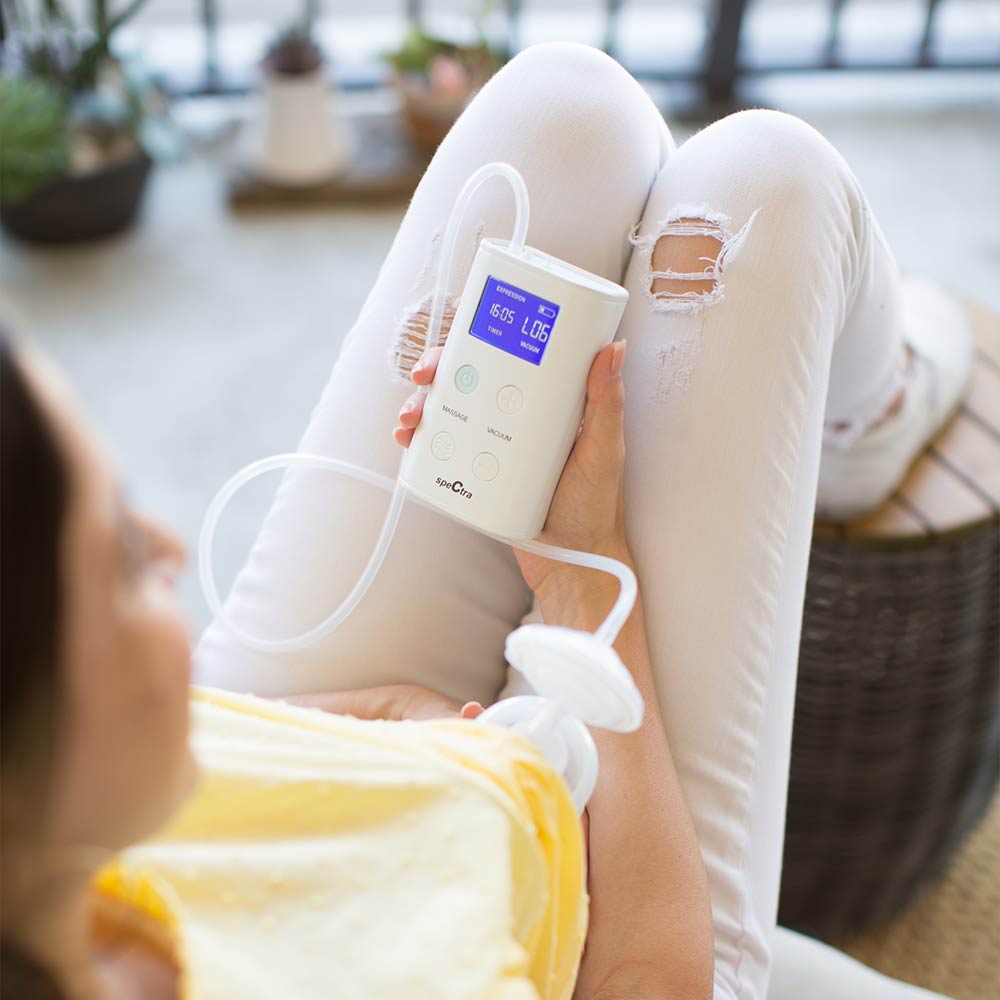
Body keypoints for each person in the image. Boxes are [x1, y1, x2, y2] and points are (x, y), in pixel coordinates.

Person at [0, 40, 968, 1000]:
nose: (173, 548)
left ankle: (872, 403)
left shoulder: (89, 798)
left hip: (248, 775)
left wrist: (410, 727)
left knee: (570, 107)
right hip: (591, 931)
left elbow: (243, 734)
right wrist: (583, 576)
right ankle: (874, 418)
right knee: (768, 187)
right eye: (123, 559)